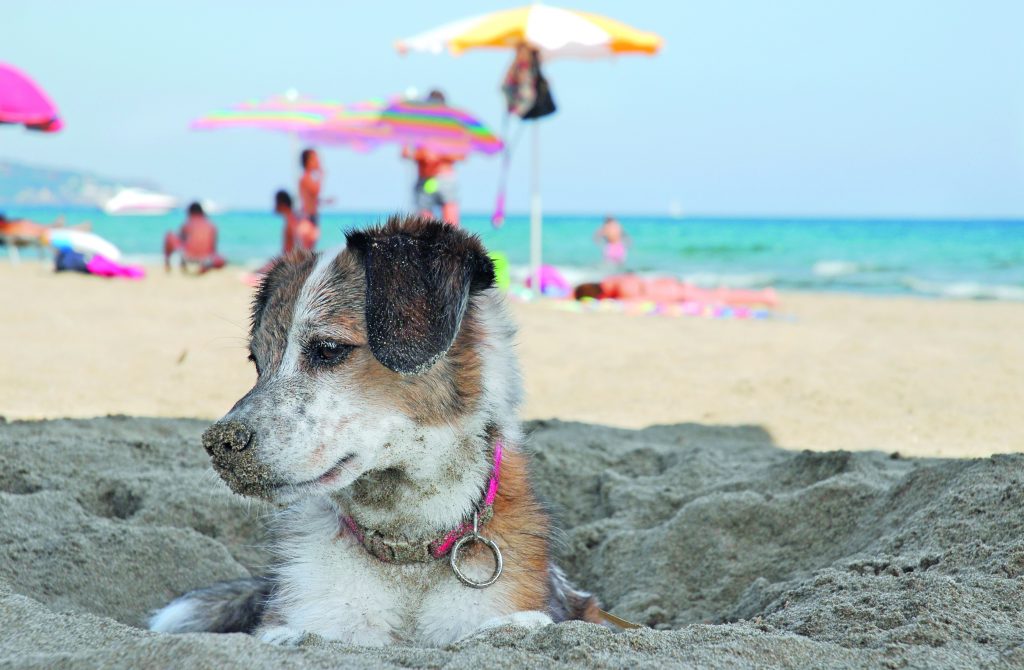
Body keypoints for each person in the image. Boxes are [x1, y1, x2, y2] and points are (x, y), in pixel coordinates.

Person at [401, 90, 466, 227]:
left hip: (445, 178)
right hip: (424, 179)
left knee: (451, 226)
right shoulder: (418, 126)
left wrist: (439, 154)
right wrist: (422, 155)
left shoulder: (452, 127)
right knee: (424, 227)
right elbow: (406, 153)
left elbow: (461, 155)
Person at [163, 202, 225, 273]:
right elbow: (213, 248)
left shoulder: (189, 223)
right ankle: (206, 265)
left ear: (190, 212)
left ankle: (167, 264)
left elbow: (181, 240)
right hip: (207, 257)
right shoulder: (211, 225)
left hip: (189, 255)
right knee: (221, 259)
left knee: (169, 235)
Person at [274, 190, 319, 254]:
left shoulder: (290, 222)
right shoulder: (295, 218)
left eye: (276, 202)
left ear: (281, 204)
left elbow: (288, 250)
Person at [298, 148, 325, 225]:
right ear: (308, 162)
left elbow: (312, 199)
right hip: (308, 216)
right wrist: (321, 176)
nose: (318, 162)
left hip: (311, 215)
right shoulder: (306, 178)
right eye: (315, 159)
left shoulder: (309, 178)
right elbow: (316, 190)